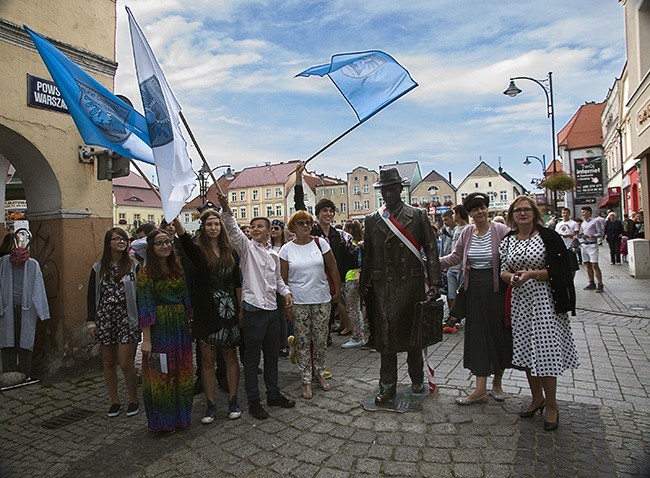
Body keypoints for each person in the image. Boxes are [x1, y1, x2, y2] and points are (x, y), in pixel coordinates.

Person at [360, 168, 441, 405]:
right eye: (384, 189)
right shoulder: (373, 219)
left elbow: (431, 249)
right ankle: (387, 387)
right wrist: (363, 286)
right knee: (386, 342)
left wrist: (435, 282)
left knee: (413, 337)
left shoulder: (416, 216)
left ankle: (417, 380)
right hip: (383, 287)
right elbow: (368, 256)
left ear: (400, 189)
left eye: (392, 188)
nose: (388, 193)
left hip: (411, 285)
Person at [500, 196, 579, 431]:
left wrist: (532, 274)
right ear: (512, 215)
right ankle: (537, 398)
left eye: (526, 210)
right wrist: (512, 278)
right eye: (518, 210)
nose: (522, 213)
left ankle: (552, 405)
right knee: (525, 352)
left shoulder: (548, 237)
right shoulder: (508, 240)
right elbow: (503, 270)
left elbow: (562, 269)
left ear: (534, 213)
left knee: (544, 353)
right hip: (520, 302)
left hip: (545, 300)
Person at [216, 192, 296, 420]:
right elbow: (231, 228)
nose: (255, 229)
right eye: (252, 227)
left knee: (271, 357)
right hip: (253, 311)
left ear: (269, 230)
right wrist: (226, 208)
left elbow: (278, 280)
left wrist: (287, 292)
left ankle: (273, 393)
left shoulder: (273, 253)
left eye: (260, 226)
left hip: (272, 311)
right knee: (251, 361)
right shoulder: (246, 248)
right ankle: (253, 401)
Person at [440, 192, 511, 405]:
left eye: (482, 208)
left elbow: (511, 255)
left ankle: (497, 384)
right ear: (469, 213)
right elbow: (455, 257)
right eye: (475, 209)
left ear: (487, 209)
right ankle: (480, 389)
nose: (480, 212)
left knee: (498, 334)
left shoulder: (501, 230)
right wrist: (431, 262)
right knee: (478, 335)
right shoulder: (467, 233)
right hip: (475, 290)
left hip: (497, 289)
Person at [173, 211, 243, 424]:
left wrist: (240, 309)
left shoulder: (231, 252)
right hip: (206, 312)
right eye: (209, 224)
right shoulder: (198, 252)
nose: (213, 228)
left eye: (216, 224)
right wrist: (175, 217)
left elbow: (237, 282)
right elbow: (184, 239)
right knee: (207, 360)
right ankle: (210, 404)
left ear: (221, 227)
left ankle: (233, 399)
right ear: (203, 227)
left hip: (229, 311)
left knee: (231, 358)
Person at [279, 210, 340, 399]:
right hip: (299, 301)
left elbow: (333, 267)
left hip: (321, 298)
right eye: (300, 223)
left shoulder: (320, 243)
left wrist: (337, 291)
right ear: (293, 227)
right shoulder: (286, 249)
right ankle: (305, 379)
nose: (305, 226)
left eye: (308, 222)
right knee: (303, 341)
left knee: (320, 339)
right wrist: (286, 304)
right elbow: (283, 278)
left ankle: (320, 373)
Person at [293, 162, 357, 339]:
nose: (328, 214)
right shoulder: (312, 229)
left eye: (331, 211)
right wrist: (299, 178)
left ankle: (327, 333)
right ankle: (322, 335)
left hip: (332, 276)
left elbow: (344, 258)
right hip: (315, 275)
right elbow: (299, 205)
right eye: (324, 211)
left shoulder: (338, 235)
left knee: (333, 305)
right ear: (318, 213)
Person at [138, 229, 193, 433]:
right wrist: (147, 339)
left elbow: (185, 296)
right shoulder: (145, 273)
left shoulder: (177, 268)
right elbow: (145, 306)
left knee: (182, 371)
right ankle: (163, 422)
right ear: (151, 248)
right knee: (161, 374)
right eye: (159, 243)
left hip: (179, 327)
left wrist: (188, 318)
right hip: (160, 327)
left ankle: (181, 418)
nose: (165, 246)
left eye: (168, 242)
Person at [86, 227, 140, 418]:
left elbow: (140, 292)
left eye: (124, 239)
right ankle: (115, 401)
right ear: (108, 243)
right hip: (105, 318)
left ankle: (133, 399)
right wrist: (91, 321)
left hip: (128, 318)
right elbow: (92, 294)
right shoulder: (98, 267)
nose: (121, 242)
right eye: (117, 239)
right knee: (108, 361)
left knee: (126, 362)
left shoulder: (133, 265)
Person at [0, 229, 50, 379]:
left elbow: (38, 287)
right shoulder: (3, 263)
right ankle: (9, 374)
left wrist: (42, 312)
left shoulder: (33, 264)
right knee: (7, 341)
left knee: (25, 341)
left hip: (26, 307)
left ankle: (24, 373)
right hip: (7, 307)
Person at [443, 205, 469, 334]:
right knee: (451, 294)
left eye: (454, 213)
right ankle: (453, 318)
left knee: (461, 295)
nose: (453, 216)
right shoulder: (455, 229)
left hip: (461, 268)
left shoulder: (468, 229)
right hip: (451, 267)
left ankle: (458, 318)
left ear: (459, 214)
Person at [341, 220, 365, 349]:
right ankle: (359, 335)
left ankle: (357, 336)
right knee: (356, 308)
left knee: (353, 308)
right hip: (353, 278)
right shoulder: (357, 244)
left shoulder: (353, 246)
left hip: (352, 279)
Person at [270, 219, 291, 358]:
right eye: (271, 228)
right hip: (271, 285)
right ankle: (275, 344)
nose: (273, 231)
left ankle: (284, 344)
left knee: (283, 316)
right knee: (275, 317)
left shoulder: (286, 247)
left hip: (283, 285)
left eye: (276, 228)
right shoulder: (268, 247)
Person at [579, 206, 604, 292]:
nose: (583, 214)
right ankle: (591, 282)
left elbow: (600, 233)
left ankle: (600, 283)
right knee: (587, 264)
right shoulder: (583, 223)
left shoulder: (595, 221)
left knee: (595, 264)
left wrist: (590, 236)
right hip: (584, 244)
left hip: (592, 244)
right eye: (582, 212)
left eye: (584, 212)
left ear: (589, 212)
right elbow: (581, 233)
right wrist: (581, 237)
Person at [554, 208, 580, 273]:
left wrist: (568, 235)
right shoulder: (558, 224)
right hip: (561, 247)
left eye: (566, 213)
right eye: (563, 213)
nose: (565, 214)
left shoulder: (574, 223)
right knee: (562, 266)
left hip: (570, 246)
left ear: (569, 214)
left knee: (572, 267)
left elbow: (577, 234)